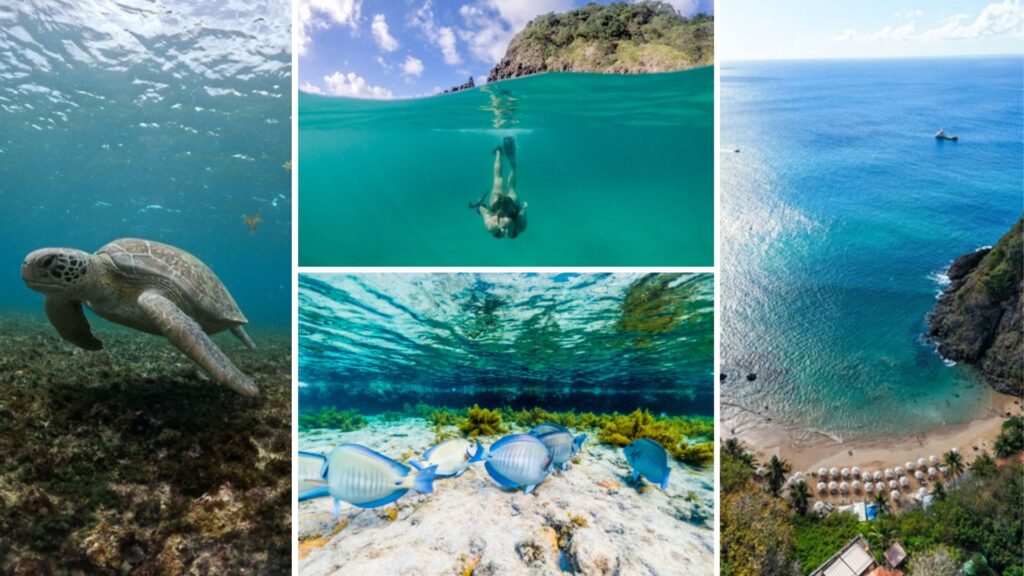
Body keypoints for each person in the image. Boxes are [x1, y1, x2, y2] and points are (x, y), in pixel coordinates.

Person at [470, 137, 527, 238]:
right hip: (512, 204)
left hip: (496, 203)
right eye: (505, 228)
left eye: (509, 227)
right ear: (498, 224)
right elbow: (522, 211)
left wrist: (480, 206)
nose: (507, 232)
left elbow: (486, 212)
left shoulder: (491, 226)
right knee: (510, 186)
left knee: (498, 179)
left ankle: (499, 152)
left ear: (515, 224)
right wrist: (523, 208)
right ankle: (511, 164)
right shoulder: (519, 226)